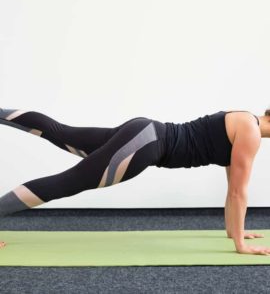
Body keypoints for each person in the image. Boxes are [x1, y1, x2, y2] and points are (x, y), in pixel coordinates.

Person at [0, 107, 269, 256]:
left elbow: (232, 190)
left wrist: (234, 232)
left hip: (144, 131)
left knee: (64, 134)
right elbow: (237, 193)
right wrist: (241, 246)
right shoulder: (251, 133)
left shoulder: (244, 118)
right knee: (67, 182)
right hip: (145, 145)